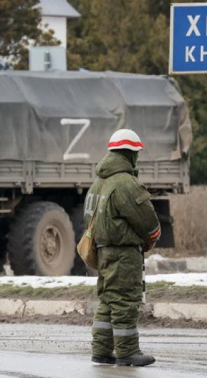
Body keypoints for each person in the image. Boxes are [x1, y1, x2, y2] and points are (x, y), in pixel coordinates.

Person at [84, 129, 161, 367]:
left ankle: (101, 351)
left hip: (103, 251)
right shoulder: (126, 183)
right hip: (123, 253)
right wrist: (151, 239)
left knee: (108, 299)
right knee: (125, 300)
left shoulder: (99, 182)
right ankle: (128, 352)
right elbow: (148, 221)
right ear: (130, 154)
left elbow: (88, 217)